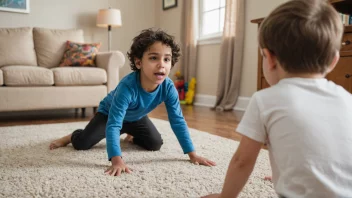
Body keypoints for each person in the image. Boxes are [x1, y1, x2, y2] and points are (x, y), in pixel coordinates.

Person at [203, 0, 352, 197]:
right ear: (334, 60)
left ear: (269, 58)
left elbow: (243, 161)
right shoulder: (346, 99)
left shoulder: (265, 100)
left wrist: (225, 196)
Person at [50, 29, 216, 176]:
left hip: (136, 117)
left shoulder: (168, 87)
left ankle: (130, 134)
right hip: (109, 115)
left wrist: (192, 154)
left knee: (155, 143)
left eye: (167, 59)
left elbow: (178, 121)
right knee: (83, 144)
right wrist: (116, 159)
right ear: (138, 62)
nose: (161, 65)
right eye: (153, 58)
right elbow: (114, 124)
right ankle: (72, 136)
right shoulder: (127, 87)